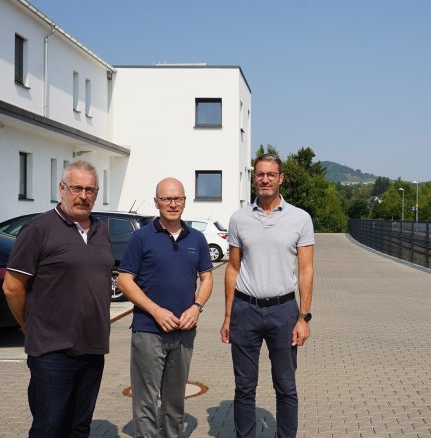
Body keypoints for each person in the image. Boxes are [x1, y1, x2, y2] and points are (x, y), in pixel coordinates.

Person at [2, 160, 114, 438]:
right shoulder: (39, 229)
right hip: (52, 351)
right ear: (62, 188)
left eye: (90, 189)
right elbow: (12, 287)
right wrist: (29, 326)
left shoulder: (102, 230)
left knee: (79, 428)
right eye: (76, 188)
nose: (83, 195)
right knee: (49, 428)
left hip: (93, 347)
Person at [220, 154, 315, 438]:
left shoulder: (300, 218)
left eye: (271, 174)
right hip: (245, 310)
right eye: (260, 174)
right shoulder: (239, 219)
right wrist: (227, 316)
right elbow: (232, 268)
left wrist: (303, 318)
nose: (264, 179)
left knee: (286, 386)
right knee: (244, 387)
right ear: (254, 178)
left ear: (281, 178)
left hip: (284, 311)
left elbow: (307, 269)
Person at [118, 177, 214, 438]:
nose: (173, 204)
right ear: (156, 202)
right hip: (148, 331)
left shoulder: (197, 238)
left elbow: (207, 278)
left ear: (185, 201)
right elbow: (125, 280)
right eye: (167, 199)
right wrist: (156, 311)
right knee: (146, 400)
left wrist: (196, 307)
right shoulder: (141, 238)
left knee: (174, 399)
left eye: (178, 199)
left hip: (184, 331)